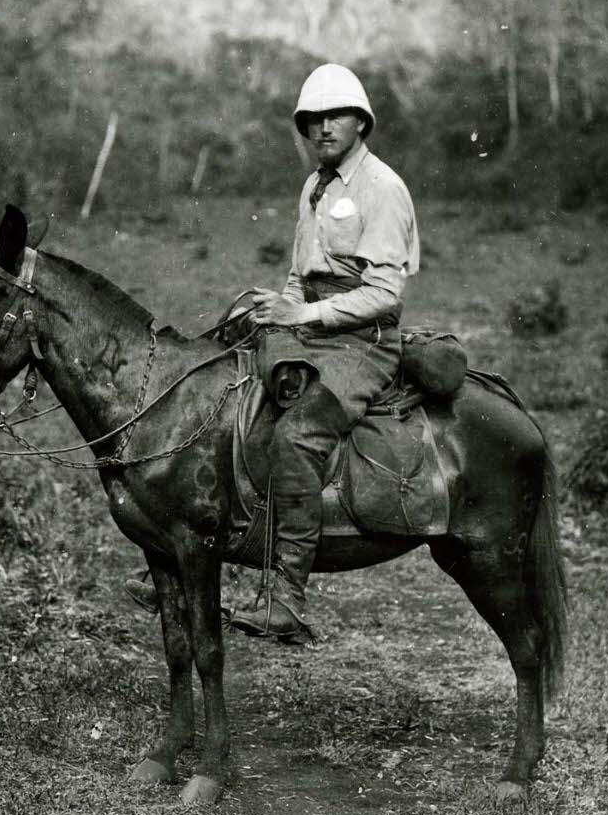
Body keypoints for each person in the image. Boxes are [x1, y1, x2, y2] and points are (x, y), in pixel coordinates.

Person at [126, 64, 420, 639]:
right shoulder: (316, 186)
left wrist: (302, 315)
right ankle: (177, 544)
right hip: (311, 328)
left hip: (362, 344)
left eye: (334, 116)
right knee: (221, 384)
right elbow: (297, 275)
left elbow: (385, 294)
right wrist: (274, 310)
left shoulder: (382, 189)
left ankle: (286, 597)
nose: (322, 128)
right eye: (311, 120)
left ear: (361, 121)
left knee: (296, 435)